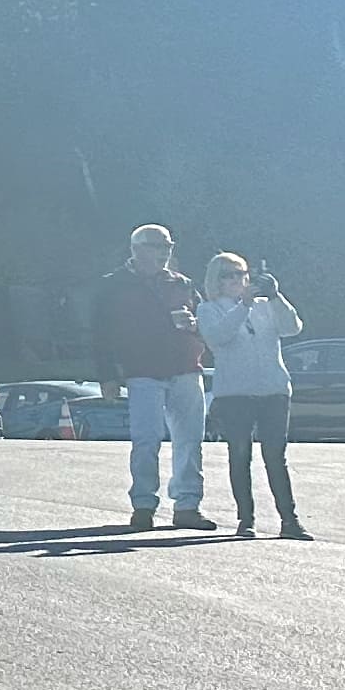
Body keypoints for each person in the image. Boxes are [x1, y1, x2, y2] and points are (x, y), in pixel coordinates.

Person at [89, 223, 211, 530]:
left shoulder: (182, 284)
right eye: (157, 246)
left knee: (190, 440)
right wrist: (107, 376)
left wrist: (194, 325)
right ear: (135, 249)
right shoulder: (112, 286)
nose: (165, 252)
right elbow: (100, 334)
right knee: (146, 440)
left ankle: (187, 506)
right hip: (142, 371)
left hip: (185, 368)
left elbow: (205, 324)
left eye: (168, 246)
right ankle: (143, 505)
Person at [195, 252, 306, 540]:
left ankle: (289, 520)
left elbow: (292, 328)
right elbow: (219, 338)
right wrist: (242, 306)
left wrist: (276, 297)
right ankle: (246, 519)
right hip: (235, 392)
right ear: (215, 280)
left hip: (274, 389)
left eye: (240, 273)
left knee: (275, 455)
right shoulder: (209, 309)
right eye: (227, 275)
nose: (236, 280)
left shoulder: (264, 306)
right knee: (240, 453)